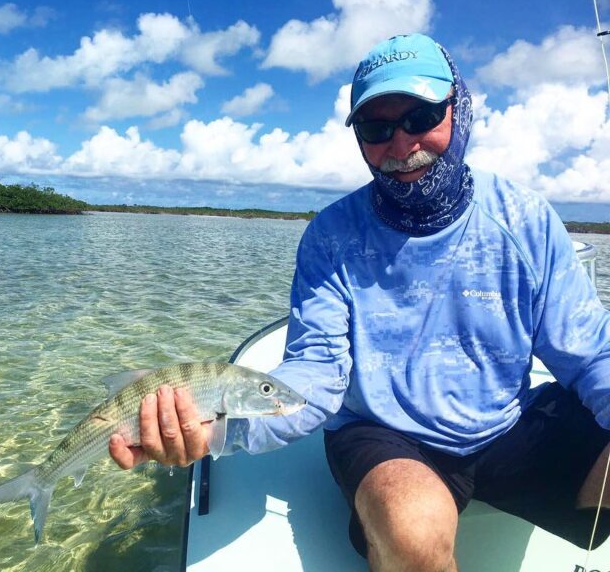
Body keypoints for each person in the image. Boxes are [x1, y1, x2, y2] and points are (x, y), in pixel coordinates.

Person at [110, 33, 610, 571]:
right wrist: (216, 431)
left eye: (420, 117)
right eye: (376, 128)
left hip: (506, 426)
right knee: (413, 529)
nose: (400, 145)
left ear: (459, 109)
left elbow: (589, 353)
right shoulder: (330, 237)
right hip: (382, 434)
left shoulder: (526, 221)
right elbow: (317, 372)